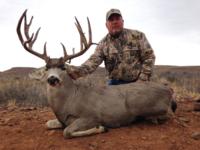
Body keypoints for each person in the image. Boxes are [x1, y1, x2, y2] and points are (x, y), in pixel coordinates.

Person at [69, 8, 155, 85]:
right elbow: (93, 61)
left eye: (117, 19)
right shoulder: (103, 44)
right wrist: (78, 72)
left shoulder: (137, 36)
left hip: (137, 82)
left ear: (122, 21)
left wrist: (143, 78)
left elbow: (149, 57)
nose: (115, 22)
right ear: (106, 25)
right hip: (114, 84)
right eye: (111, 20)